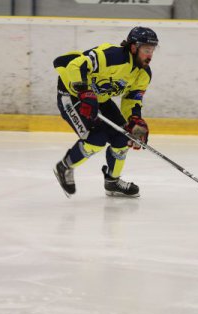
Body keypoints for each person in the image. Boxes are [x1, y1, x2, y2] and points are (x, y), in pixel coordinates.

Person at [52, 26, 158, 198]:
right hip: (72, 96)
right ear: (133, 47)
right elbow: (75, 65)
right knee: (96, 139)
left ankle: (112, 181)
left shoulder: (143, 74)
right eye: (146, 50)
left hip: (99, 98)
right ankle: (64, 167)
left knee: (123, 137)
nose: (150, 55)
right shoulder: (111, 56)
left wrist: (135, 120)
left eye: (152, 50)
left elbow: (132, 99)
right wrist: (84, 90)